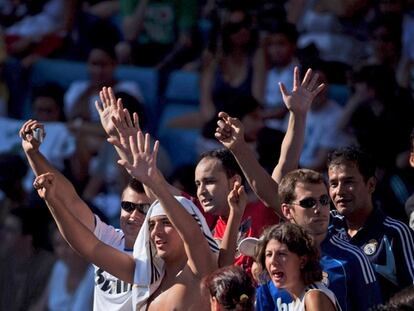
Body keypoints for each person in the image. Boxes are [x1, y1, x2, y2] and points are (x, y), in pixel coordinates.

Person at [32, 129, 246, 310]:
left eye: (166, 223)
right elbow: (89, 247)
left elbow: (192, 235)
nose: (156, 231)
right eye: (152, 225)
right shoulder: (143, 274)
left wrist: (154, 182)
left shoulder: (201, 272)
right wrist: (53, 202)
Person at [19, 119, 151, 310]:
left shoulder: (157, 256)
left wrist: (52, 200)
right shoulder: (112, 237)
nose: (133, 215)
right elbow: (71, 201)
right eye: (128, 206)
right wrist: (33, 153)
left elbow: (88, 247)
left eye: (144, 209)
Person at [254, 169, 381, 311]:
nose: (319, 209)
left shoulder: (353, 258)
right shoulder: (271, 265)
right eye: (308, 203)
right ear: (287, 211)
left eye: (324, 200)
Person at [327, 146, 414, 301]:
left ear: (371, 185)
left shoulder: (396, 232)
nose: (339, 191)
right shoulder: (327, 228)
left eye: (348, 182)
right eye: (333, 184)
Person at [255, 222, 340, 311]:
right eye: (269, 254)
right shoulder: (296, 301)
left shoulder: (313, 297)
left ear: (302, 261)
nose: (272, 261)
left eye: (281, 254)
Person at [0, 207, 55, 311]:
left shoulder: (47, 265)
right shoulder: (3, 262)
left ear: (27, 239)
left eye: (10, 231)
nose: (2, 235)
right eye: (3, 228)